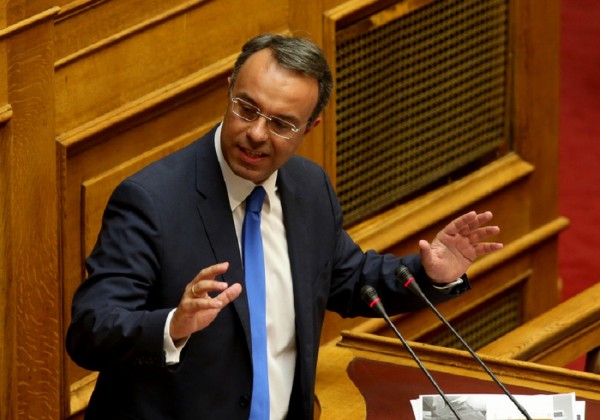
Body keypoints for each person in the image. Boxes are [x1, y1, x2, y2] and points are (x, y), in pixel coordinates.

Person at [66, 33, 503, 420]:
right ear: (229, 90)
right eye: (247, 109)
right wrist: (173, 325)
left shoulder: (309, 188)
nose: (257, 133)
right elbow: (90, 330)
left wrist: (431, 275)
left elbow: (350, 279)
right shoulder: (152, 201)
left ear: (310, 127)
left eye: (281, 124)